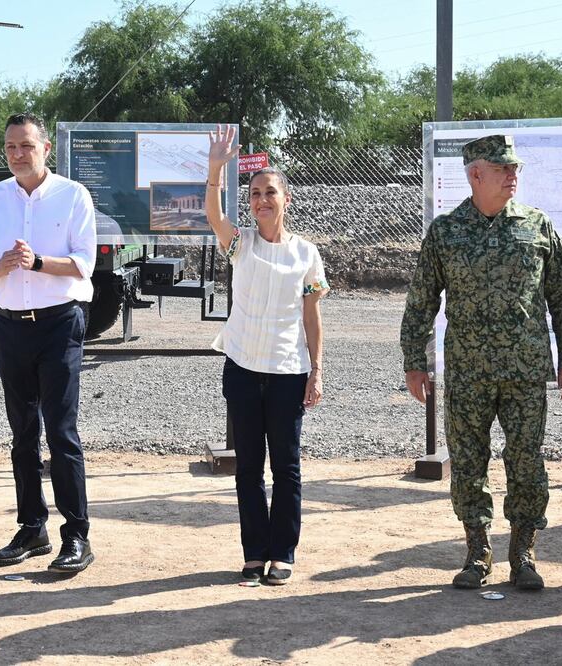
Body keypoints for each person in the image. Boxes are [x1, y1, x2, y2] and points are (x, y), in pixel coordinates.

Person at [400, 135, 562, 591]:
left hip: (524, 371)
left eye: (515, 168)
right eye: (502, 169)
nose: (512, 176)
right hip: (467, 372)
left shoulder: (537, 225)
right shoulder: (446, 231)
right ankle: (476, 550)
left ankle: (523, 552)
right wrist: (414, 360)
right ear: (475, 174)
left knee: (526, 460)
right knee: (467, 462)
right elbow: (421, 300)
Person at [0, 113, 97, 573]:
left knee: (60, 431)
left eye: (26, 145)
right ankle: (32, 527)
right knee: (23, 432)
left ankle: (77, 536)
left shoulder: (72, 195)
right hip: (8, 324)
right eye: (10, 147)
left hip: (60, 323)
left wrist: (37, 262)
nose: (18, 154)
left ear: (45, 148)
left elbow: (84, 264)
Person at [205, 125, 328, 585]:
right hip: (241, 368)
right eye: (255, 193)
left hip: (287, 373)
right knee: (249, 468)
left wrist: (317, 371)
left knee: (287, 467)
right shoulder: (241, 244)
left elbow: (311, 317)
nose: (262, 200)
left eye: (270, 192)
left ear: (286, 199)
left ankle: (284, 554)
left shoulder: (306, 254)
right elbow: (214, 215)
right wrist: (217, 167)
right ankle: (254, 554)